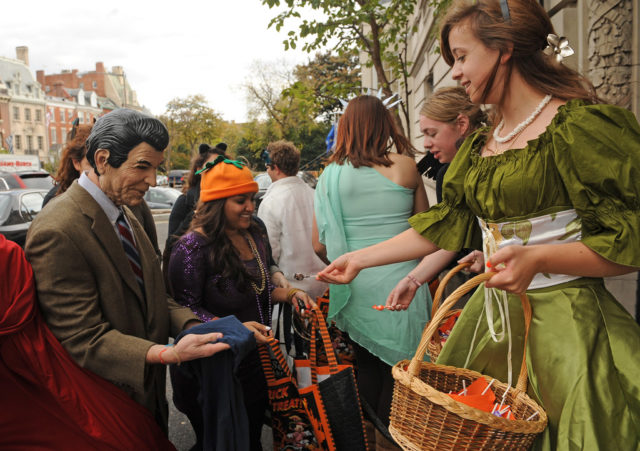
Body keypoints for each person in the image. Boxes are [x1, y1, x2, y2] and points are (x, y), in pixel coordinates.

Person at [317, 0, 640, 449]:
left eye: (462, 56)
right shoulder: (482, 145)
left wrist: (541, 256)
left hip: (568, 333)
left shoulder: (580, 126)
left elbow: (628, 244)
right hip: (491, 326)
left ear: (504, 49)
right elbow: (444, 223)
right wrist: (359, 259)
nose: (455, 73)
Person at [25, 108, 231, 433]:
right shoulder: (57, 229)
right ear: (103, 159)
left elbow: (154, 296)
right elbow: (81, 337)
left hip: (147, 401)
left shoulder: (132, 209)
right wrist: (165, 353)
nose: (152, 180)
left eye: (156, 168)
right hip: (102, 409)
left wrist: (206, 328)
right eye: (142, 167)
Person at [168, 155, 316, 450]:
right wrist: (235, 329)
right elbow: (185, 313)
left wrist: (291, 294)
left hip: (254, 363)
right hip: (213, 372)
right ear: (216, 204)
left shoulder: (255, 232)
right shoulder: (192, 247)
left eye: (252, 198)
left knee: (249, 437)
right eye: (240, 201)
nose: (251, 207)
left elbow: (258, 289)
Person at [312, 94, 432, 447]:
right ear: (385, 124)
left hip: (356, 288)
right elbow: (426, 230)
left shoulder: (329, 176)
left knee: (366, 367)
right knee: (404, 377)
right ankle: (395, 442)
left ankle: (370, 440)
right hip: (405, 285)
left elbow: (319, 246)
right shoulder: (406, 166)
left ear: (346, 127)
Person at [0, 233, 175, 450]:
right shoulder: (46, 234)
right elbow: (75, 328)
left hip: (39, 369)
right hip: (34, 371)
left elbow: (154, 293)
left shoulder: (9, 252)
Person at [387, 87, 487, 307]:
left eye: (431, 133)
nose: (425, 143)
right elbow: (449, 240)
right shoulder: (447, 174)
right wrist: (413, 280)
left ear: (461, 125)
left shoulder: (492, 166)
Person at [43, 119, 161, 258]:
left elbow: (153, 254)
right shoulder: (56, 208)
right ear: (76, 163)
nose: (100, 169)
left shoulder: (132, 200)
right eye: (91, 163)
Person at [258, 140, 327, 299]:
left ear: (275, 168)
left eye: (267, 168)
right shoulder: (316, 195)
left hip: (291, 293)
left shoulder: (271, 203)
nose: (267, 172)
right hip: (324, 285)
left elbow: (270, 256)